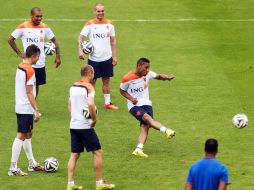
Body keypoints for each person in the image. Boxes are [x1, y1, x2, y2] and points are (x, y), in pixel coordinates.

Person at [67, 64, 115, 190]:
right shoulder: (89, 87)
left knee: (74, 154)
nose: (94, 76)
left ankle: (70, 184)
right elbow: (90, 105)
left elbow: (69, 105)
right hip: (85, 126)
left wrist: (73, 119)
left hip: (73, 125)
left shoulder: (73, 86)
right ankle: (99, 183)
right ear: (89, 73)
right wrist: (94, 119)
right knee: (98, 152)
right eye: (93, 73)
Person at [120, 57, 176, 158]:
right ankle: (166, 130)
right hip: (134, 106)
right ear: (139, 66)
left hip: (147, 104)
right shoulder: (127, 78)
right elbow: (122, 90)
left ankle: (138, 149)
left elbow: (158, 76)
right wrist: (131, 98)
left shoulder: (147, 73)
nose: (147, 70)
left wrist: (167, 77)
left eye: (148, 68)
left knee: (145, 126)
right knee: (146, 118)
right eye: (146, 67)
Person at [8, 7, 61, 97]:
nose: (39, 18)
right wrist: (19, 53)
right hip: (28, 64)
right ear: (31, 16)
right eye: (37, 16)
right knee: (28, 85)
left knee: (36, 85)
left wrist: (58, 56)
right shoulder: (23, 27)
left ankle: (33, 107)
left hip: (40, 63)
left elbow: (55, 41)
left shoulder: (44, 27)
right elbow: (10, 39)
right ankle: (27, 106)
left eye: (41, 16)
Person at [8, 44, 43, 176]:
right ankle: (13, 168)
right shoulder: (30, 70)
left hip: (20, 106)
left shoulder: (21, 66)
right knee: (21, 135)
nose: (38, 59)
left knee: (28, 134)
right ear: (33, 56)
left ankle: (32, 163)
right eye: (38, 57)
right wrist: (36, 110)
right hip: (25, 108)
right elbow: (29, 92)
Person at [78, 3, 118, 110]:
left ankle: (107, 103)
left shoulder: (110, 24)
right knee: (92, 82)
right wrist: (80, 50)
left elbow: (113, 41)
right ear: (94, 12)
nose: (100, 13)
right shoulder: (89, 24)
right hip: (94, 59)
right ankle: (90, 104)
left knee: (106, 81)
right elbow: (80, 38)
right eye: (98, 11)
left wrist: (114, 57)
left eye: (102, 11)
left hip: (107, 58)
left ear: (104, 11)